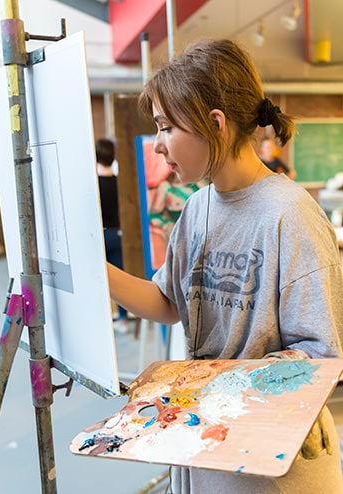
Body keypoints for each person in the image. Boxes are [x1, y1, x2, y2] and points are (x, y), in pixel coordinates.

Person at [106, 38, 343, 493]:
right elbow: (169, 301)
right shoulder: (197, 208)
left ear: (214, 124)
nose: (157, 146)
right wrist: (99, 273)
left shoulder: (289, 214)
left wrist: (211, 387)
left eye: (165, 127)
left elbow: (320, 357)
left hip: (272, 462)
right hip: (207, 440)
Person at [96, 138, 130, 333]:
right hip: (118, 234)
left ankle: (103, 321)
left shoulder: (94, 184)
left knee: (100, 278)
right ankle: (123, 320)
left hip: (101, 236)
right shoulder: (118, 182)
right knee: (122, 279)